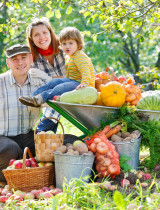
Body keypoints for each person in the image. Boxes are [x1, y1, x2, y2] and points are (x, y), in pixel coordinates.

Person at [0, 44, 45, 184]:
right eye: (15, 59)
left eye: (23, 57)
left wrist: (43, 131)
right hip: (2, 137)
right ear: (8, 62)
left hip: (26, 135)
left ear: (30, 59)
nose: (20, 62)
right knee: (10, 150)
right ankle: (13, 178)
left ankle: (29, 174)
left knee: (59, 143)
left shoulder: (39, 83)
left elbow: (53, 106)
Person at [19, 26, 95, 107]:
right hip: (73, 81)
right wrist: (64, 80)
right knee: (53, 82)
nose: (67, 46)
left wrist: (84, 83)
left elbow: (85, 71)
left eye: (71, 43)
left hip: (83, 86)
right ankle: (32, 96)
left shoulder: (79, 56)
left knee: (61, 87)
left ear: (78, 44)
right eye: (64, 44)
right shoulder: (69, 57)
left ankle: (40, 99)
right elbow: (69, 75)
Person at [25, 17, 66, 133]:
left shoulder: (64, 48)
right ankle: (43, 136)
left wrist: (48, 78)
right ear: (32, 39)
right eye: (36, 35)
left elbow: (74, 76)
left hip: (75, 90)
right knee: (54, 101)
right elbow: (42, 88)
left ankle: (42, 131)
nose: (42, 37)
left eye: (44, 32)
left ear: (50, 33)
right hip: (52, 100)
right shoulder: (32, 60)